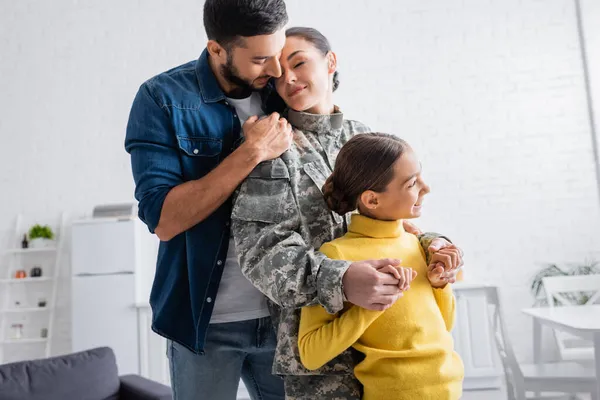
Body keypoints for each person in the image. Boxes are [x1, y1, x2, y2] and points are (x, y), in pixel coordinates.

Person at [231, 27, 463, 399]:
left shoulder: (363, 137)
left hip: (397, 349)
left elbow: (396, 223)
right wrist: (343, 281)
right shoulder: (274, 148)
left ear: (331, 61)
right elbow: (262, 256)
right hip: (326, 363)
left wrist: (433, 245)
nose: (288, 78)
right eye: (277, 74)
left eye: (299, 63)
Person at [125, 1, 293, 398]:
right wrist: (249, 153)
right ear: (217, 49)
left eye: (279, 52)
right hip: (206, 324)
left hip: (289, 317)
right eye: (260, 59)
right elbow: (164, 218)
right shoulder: (161, 98)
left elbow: (338, 168)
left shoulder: (285, 90)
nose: (277, 70)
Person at [298, 133, 464, 400]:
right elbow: (311, 353)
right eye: (412, 183)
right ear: (372, 200)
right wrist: (370, 305)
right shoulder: (336, 254)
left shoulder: (415, 244)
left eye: (420, 175)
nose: (426, 187)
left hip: (450, 390)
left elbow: (444, 326)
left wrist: (440, 284)